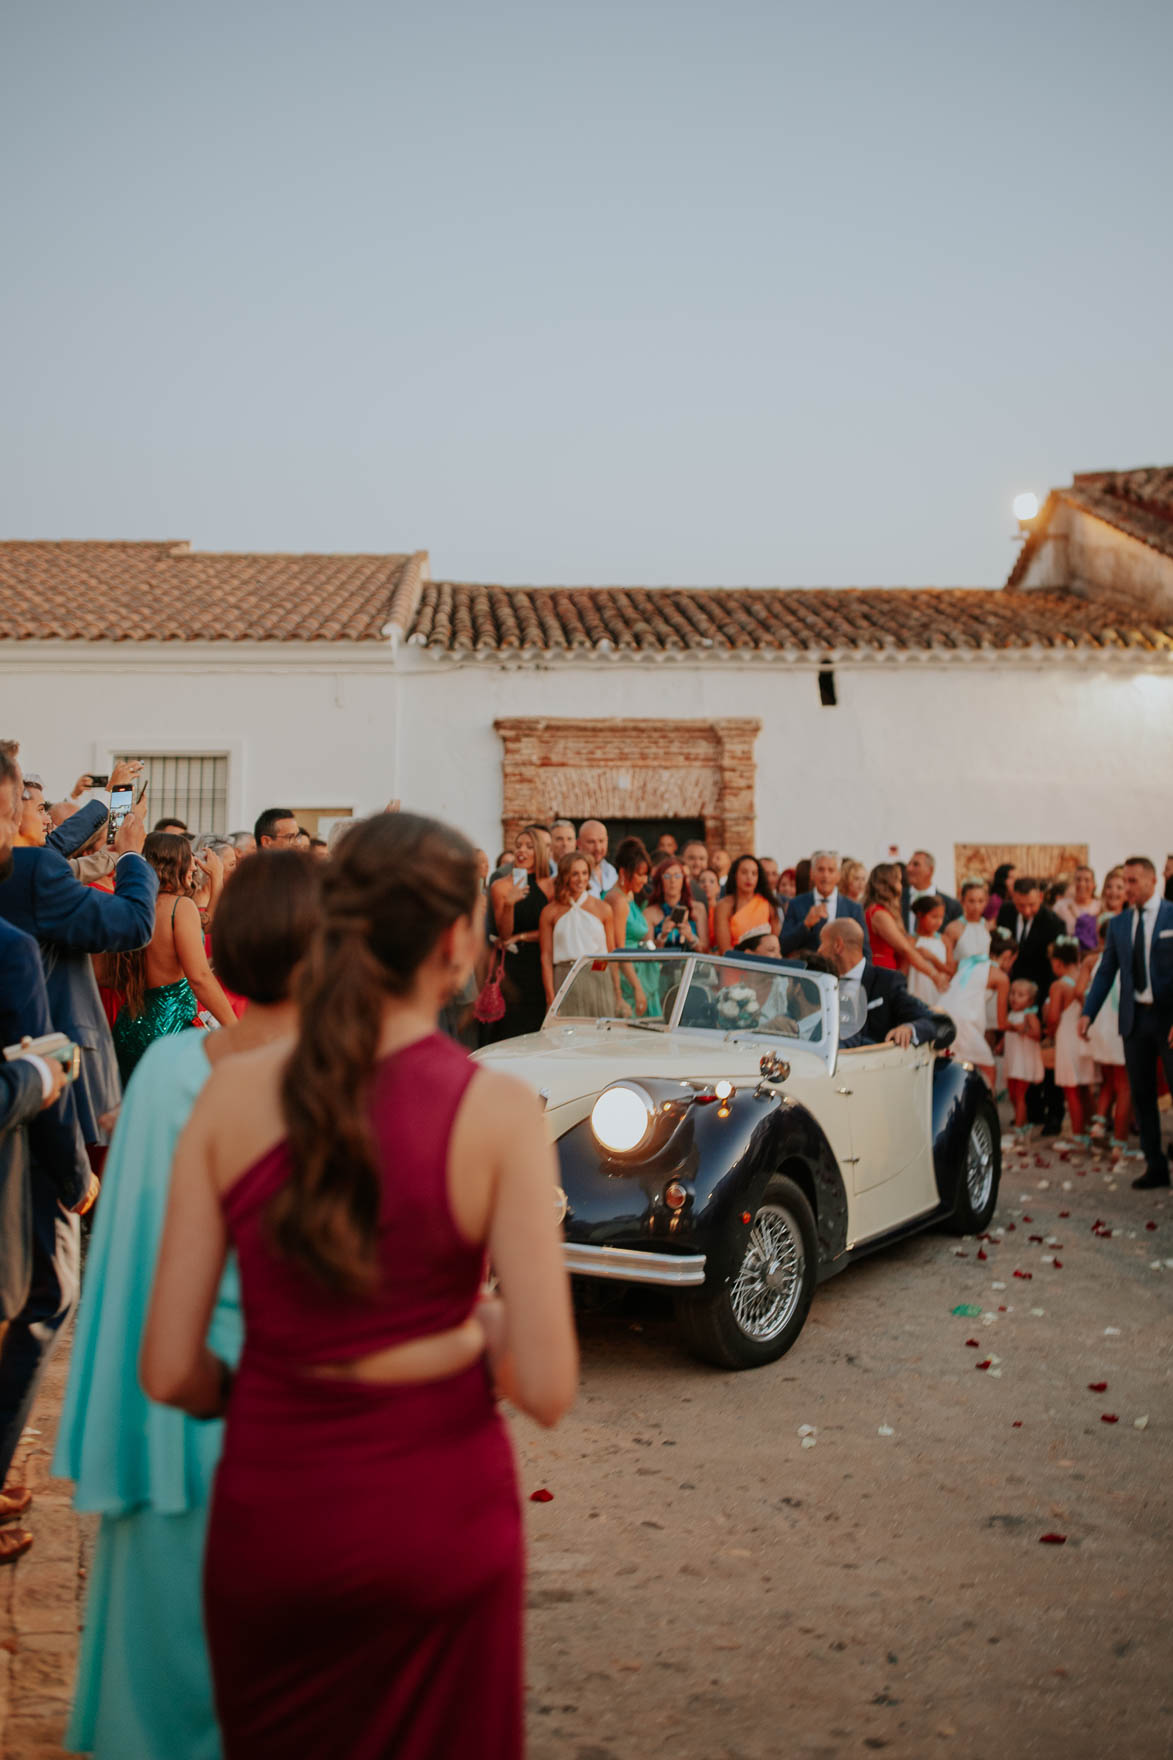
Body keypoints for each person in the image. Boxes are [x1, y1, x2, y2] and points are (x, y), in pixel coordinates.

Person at [141, 811, 577, 1760]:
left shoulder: (230, 1095)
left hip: (274, 1506)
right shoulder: (497, 1109)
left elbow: (170, 1371)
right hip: (438, 1510)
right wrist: (477, 1329)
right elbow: (546, 1386)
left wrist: (272, 1381)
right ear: (457, 945)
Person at [53, 851, 321, 1758]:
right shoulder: (343, 1087)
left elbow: (127, 1251)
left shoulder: (169, 1069)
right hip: (289, 1425)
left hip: (162, 1407)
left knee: (164, 1682)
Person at [0, 749, 95, 1562]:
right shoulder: (12, 937)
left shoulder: (36, 870)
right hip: (17, 1156)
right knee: (44, 1297)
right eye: (18, 808)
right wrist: (74, 1178)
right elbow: (45, 1079)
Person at [111, 833, 237, 1082]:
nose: (193, 865)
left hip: (129, 1025)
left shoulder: (132, 904)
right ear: (173, 864)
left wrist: (216, 879)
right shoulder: (180, 907)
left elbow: (205, 925)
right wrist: (235, 1028)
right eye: (188, 858)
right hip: (170, 1030)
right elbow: (200, 977)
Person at [1080, 856, 1173, 1189]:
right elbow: (1106, 971)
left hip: (1169, 1018)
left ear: (1152, 881)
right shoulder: (1119, 924)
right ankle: (1155, 1165)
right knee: (1142, 1094)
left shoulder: (1172, 915)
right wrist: (1088, 1013)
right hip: (1135, 1020)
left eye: (1133, 881)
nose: (1128, 888)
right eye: (1125, 881)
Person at [817, 919, 952, 1049]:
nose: (819, 951)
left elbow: (932, 1020)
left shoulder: (886, 981)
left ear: (837, 945)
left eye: (822, 943)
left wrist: (909, 1028)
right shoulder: (823, 983)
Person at [997, 876, 1066, 1133]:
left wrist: (1047, 1003)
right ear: (1012, 898)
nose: (1026, 910)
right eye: (1021, 905)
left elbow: (1055, 968)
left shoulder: (1053, 923)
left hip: (1042, 994)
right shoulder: (1005, 913)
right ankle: (1031, 1111)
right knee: (1020, 1057)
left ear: (1040, 898)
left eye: (1032, 905)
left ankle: (1054, 1114)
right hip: (1013, 996)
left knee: (1045, 1060)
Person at [483, 826, 555, 1043]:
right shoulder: (500, 886)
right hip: (512, 966)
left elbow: (552, 930)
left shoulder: (550, 885)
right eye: (518, 846)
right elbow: (504, 934)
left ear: (540, 851)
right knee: (511, 1029)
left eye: (529, 846)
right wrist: (509, 904)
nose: (522, 851)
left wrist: (523, 937)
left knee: (539, 1030)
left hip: (542, 963)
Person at [540, 852, 616, 1012]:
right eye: (575, 873)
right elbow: (546, 956)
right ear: (564, 876)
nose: (581, 879)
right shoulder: (550, 911)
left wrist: (616, 990)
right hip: (564, 976)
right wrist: (550, 997)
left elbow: (611, 953)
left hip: (597, 972)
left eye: (584, 873)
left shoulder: (603, 908)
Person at [1086, 913, 1132, 1159]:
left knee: (1108, 1082)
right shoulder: (1126, 960)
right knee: (1125, 1087)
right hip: (1119, 1030)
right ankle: (1120, 1141)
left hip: (1100, 1030)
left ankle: (1098, 1124)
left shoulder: (1097, 962)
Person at [1045, 936, 1097, 1148]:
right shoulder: (1086, 980)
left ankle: (1078, 1135)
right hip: (1085, 1038)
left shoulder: (1059, 986)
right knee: (1085, 1087)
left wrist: (1049, 1033)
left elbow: (1054, 1017)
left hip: (1067, 1038)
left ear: (1057, 962)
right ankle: (1091, 1128)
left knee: (1071, 1090)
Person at [861, 863, 948, 987]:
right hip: (882, 972)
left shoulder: (879, 911)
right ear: (889, 884)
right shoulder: (878, 913)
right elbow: (904, 948)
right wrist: (934, 975)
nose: (901, 886)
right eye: (898, 881)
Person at [780, 851, 868, 957]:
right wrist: (805, 925)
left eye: (831, 870)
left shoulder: (853, 908)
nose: (825, 875)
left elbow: (864, 949)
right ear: (812, 874)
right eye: (821, 870)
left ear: (838, 875)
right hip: (807, 971)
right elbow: (783, 946)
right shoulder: (796, 904)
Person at [607, 837, 658, 1018]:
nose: (644, 880)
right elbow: (618, 951)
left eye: (646, 875)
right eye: (640, 874)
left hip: (641, 974)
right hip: (628, 979)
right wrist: (637, 988)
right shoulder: (617, 900)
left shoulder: (629, 896)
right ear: (623, 872)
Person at [1004, 979, 1045, 1138]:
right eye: (1012, 993)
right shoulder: (1012, 1014)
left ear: (1030, 1000)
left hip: (1023, 1060)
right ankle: (1024, 1121)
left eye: (1020, 995)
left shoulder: (1029, 1015)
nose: (1014, 997)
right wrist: (1001, 1044)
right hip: (1013, 1059)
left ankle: (1019, 1127)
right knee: (1012, 1093)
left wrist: (1023, 1031)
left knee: (1020, 1093)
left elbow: (1037, 1034)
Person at [714, 855, 780, 954]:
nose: (749, 877)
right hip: (734, 962)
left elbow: (776, 943)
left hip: (766, 963)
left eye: (754, 873)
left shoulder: (768, 903)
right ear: (735, 875)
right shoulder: (724, 906)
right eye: (744, 872)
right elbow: (725, 950)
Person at [645, 856, 708, 952]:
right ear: (660, 880)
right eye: (667, 876)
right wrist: (662, 936)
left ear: (684, 880)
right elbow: (647, 953)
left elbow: (706, 951)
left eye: (677, 876)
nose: (672, 880)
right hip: (661, 965)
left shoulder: (698, 909)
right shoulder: (649, 913)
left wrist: (691, 937)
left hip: (690, 964)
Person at [902, 850, 961, 931]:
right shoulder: (897, 899)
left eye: (916, 864)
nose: (908, 869)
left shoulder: (951, 905)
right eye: (909, 864)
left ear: (930, 870)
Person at [907, 895, 949, 1005]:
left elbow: (950, 970)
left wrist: (932, 958)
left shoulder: (944, 940)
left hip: (939, 993)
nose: (938, 922)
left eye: (941, 917)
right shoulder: (910, 941)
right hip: (917, 993)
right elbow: (904, 971)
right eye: (934, 917)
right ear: (920, 915)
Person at [944, 879, 992, 969]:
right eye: (971, 901)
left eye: (981, 901)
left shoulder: (988, 926)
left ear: (986, 902)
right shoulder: (953, 928)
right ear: (962, 901)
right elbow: (947, 960)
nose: (976, 906)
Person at [577, 820, 617, 899]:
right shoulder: (570, 873)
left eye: (601, 841)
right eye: (591, 842)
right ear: (579, 844)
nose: (597, 848)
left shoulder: (611, 870)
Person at [1055, 865, 1101, 934]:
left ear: (1093, 884)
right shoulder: (1061, 906)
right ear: (1073, 883)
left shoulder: (1099, 907)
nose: (1082, 884)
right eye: (1078, 880)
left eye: (1087, 880)